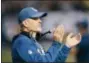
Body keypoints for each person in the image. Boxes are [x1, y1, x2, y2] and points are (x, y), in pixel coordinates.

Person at [11, 7, 81, 63]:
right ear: (25, 23)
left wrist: (67, 46)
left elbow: (53, 61)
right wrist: (56, 43)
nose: (40, 21)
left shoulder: (32, 41)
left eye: (39, 18)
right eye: (35, 18)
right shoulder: (21, 42)